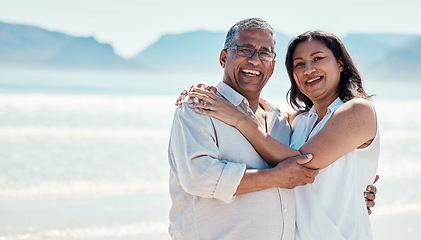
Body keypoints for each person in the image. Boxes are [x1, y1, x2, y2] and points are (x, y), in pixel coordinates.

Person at [185, 30, 379, 239]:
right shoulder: (300, 121)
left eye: (318, 58)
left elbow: (300, 164)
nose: (309, 69)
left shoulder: (358, 110)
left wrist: (240, 119)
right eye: (299, 64)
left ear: (340, 63)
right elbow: (263, 112)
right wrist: (208, 91)